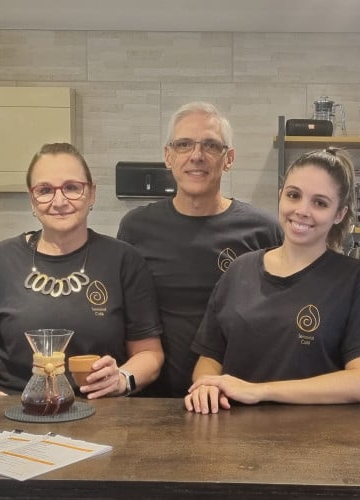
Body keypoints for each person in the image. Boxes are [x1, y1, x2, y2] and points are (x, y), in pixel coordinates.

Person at [185, 148, 360, 414]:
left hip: (318, 444)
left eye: (319, 203)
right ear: (280, 196)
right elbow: (210, 357)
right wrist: (208, 386)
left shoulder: (357, 280)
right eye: (293, 195)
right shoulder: (239, 270)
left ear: (339, 214)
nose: (301, 211)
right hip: (232, 440)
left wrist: (259, 391)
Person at [0, 143, 164, 399]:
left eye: (72, 188)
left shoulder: (123, 260)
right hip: (12, 411)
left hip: (100, 414)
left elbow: (149, 354)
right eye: (45, 190)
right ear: (32, 198)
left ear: (92, 193)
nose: (59, 201)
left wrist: (121, 379)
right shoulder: (2, 259)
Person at [117, 101, 282, 397]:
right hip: (152, 400)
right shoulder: (136, 227)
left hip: (235, 397)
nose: (196, 156)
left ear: (228, 158)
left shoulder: (263, 230)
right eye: (184, 145)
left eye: (210, 145)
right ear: (168, 156)